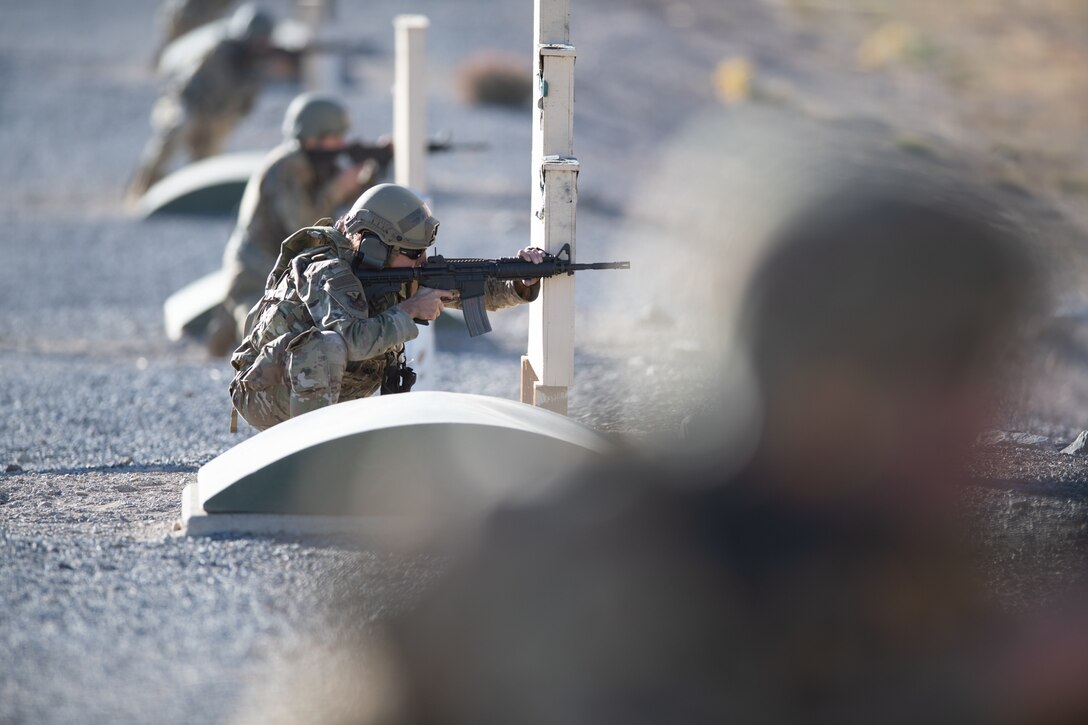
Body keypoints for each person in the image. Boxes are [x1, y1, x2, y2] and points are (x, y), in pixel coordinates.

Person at [331, 187, 1088, 724]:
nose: (987, 410)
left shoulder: (898, 571)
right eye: (954, 372)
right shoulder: (586, 569)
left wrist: (512, 281)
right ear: (838, 385)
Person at [228, 183, 544, 430]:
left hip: (314, 391)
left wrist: (519, 281)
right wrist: (408, 311)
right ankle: (309, 465)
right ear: (373, 246)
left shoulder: (388, 270)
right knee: (328, 345)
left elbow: (469, 290)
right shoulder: (323, 269)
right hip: (264, 391)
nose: (422, 261)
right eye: (413, 252)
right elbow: (352, 339)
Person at [208, 93, 390, 355]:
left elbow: (349, 203)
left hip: (275, 266)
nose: (342, 144)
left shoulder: (312, 163)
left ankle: (213, 345)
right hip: (256, 268)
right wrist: (338, 188)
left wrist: (373, 170)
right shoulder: (287, 169)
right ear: (314, 137)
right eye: (335, 137)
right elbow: (304, 226)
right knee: (258, 334)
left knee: (229, 329)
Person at [127, 3, 274, 200]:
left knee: (206, 168)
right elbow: (188, 87)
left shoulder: (258, 66)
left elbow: (245, 105)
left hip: (217, 118)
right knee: (178, 128)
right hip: (186, 104)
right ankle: (143, 186)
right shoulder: (219, 51)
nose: (260, 44)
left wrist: (221, 123)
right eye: (257, 39)